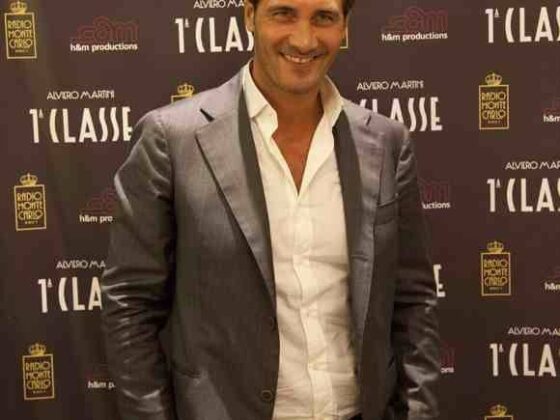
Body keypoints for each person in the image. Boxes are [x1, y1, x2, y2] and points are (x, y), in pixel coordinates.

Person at [101, 0, 441, 419]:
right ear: (250, 16)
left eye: (323, 17)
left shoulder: (386, 143)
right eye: (284, 13)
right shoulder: (171, 140)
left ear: (345, 27)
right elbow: (130, 304)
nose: (304, 39)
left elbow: (413, 301)